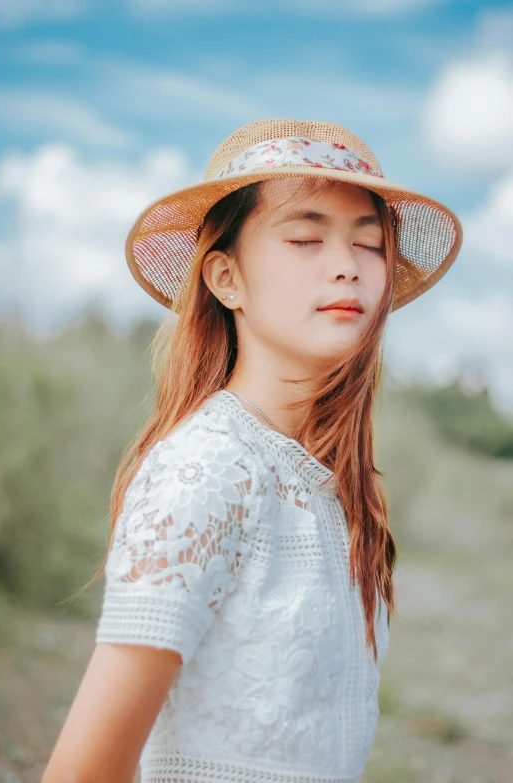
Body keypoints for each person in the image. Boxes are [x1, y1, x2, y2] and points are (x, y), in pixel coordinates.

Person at [42, 119, 463, 783]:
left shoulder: (336, 487)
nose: (347, 263)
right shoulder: (206, 470)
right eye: (304, 237)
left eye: (370, 242)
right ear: (226, 278)